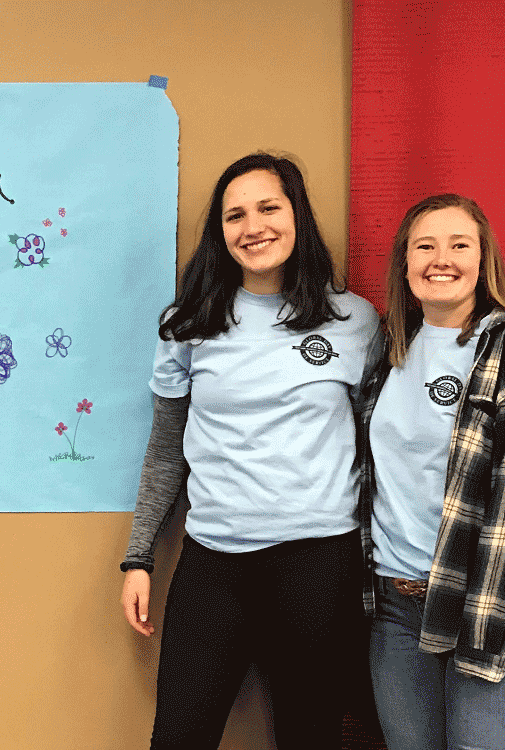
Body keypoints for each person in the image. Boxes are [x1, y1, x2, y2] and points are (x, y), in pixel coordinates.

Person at [120, 152, 379, 748]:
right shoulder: (186, 324)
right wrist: (138, 557)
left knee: (308, 737)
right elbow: (165, 452)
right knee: (178, 738)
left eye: (268, 207)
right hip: (215, 564)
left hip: (319, 565)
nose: (253, 226)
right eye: (234, 215)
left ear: (297, 217)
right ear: (221, 233)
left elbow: (376, 448)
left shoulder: (354, 321)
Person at [358, 194, 505, 750]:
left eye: (459, 244)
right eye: (424, 245)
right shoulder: (388, 350)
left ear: (484, 260)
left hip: (486, 609)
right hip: (396, 610)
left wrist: (482, 637)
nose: (440, 258)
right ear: (405, 263)